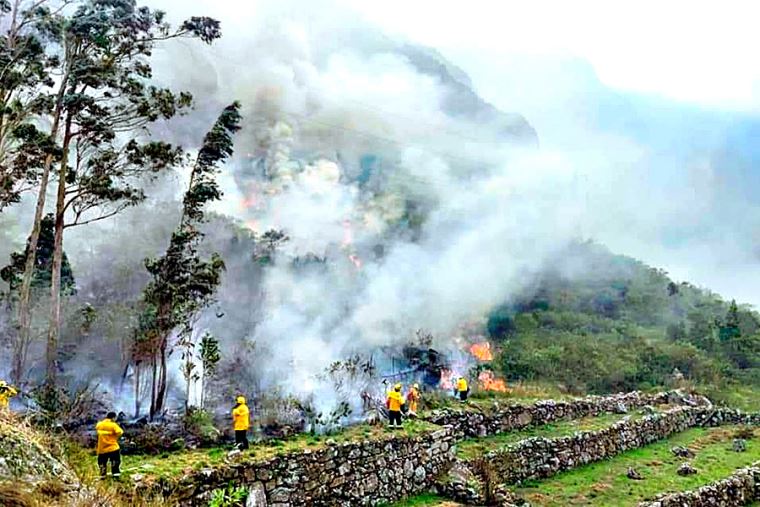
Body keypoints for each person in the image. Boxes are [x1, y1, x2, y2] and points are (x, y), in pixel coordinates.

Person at [95, 411, 124, 478]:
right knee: (115, 461)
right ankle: (115, 474)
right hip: (112, 447)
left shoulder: (99, 424)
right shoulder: (113, 425)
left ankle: (102, 475)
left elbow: (97, 429)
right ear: (113, 418)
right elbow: (120, 432)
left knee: (102, 462)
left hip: (102, 448)